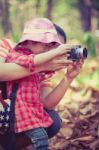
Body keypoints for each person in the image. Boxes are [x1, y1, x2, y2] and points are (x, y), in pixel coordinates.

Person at [0, 18, 83, 150]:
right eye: (49, 46)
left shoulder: (44, 68)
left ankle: (8, 145)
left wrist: (68, 78)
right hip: (4, 110)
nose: (51, 52)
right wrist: (42, 64)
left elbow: (47, 104)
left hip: (12, 116)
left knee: (52, 121)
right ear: (33, 40)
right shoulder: (9, 47)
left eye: (57, 49)